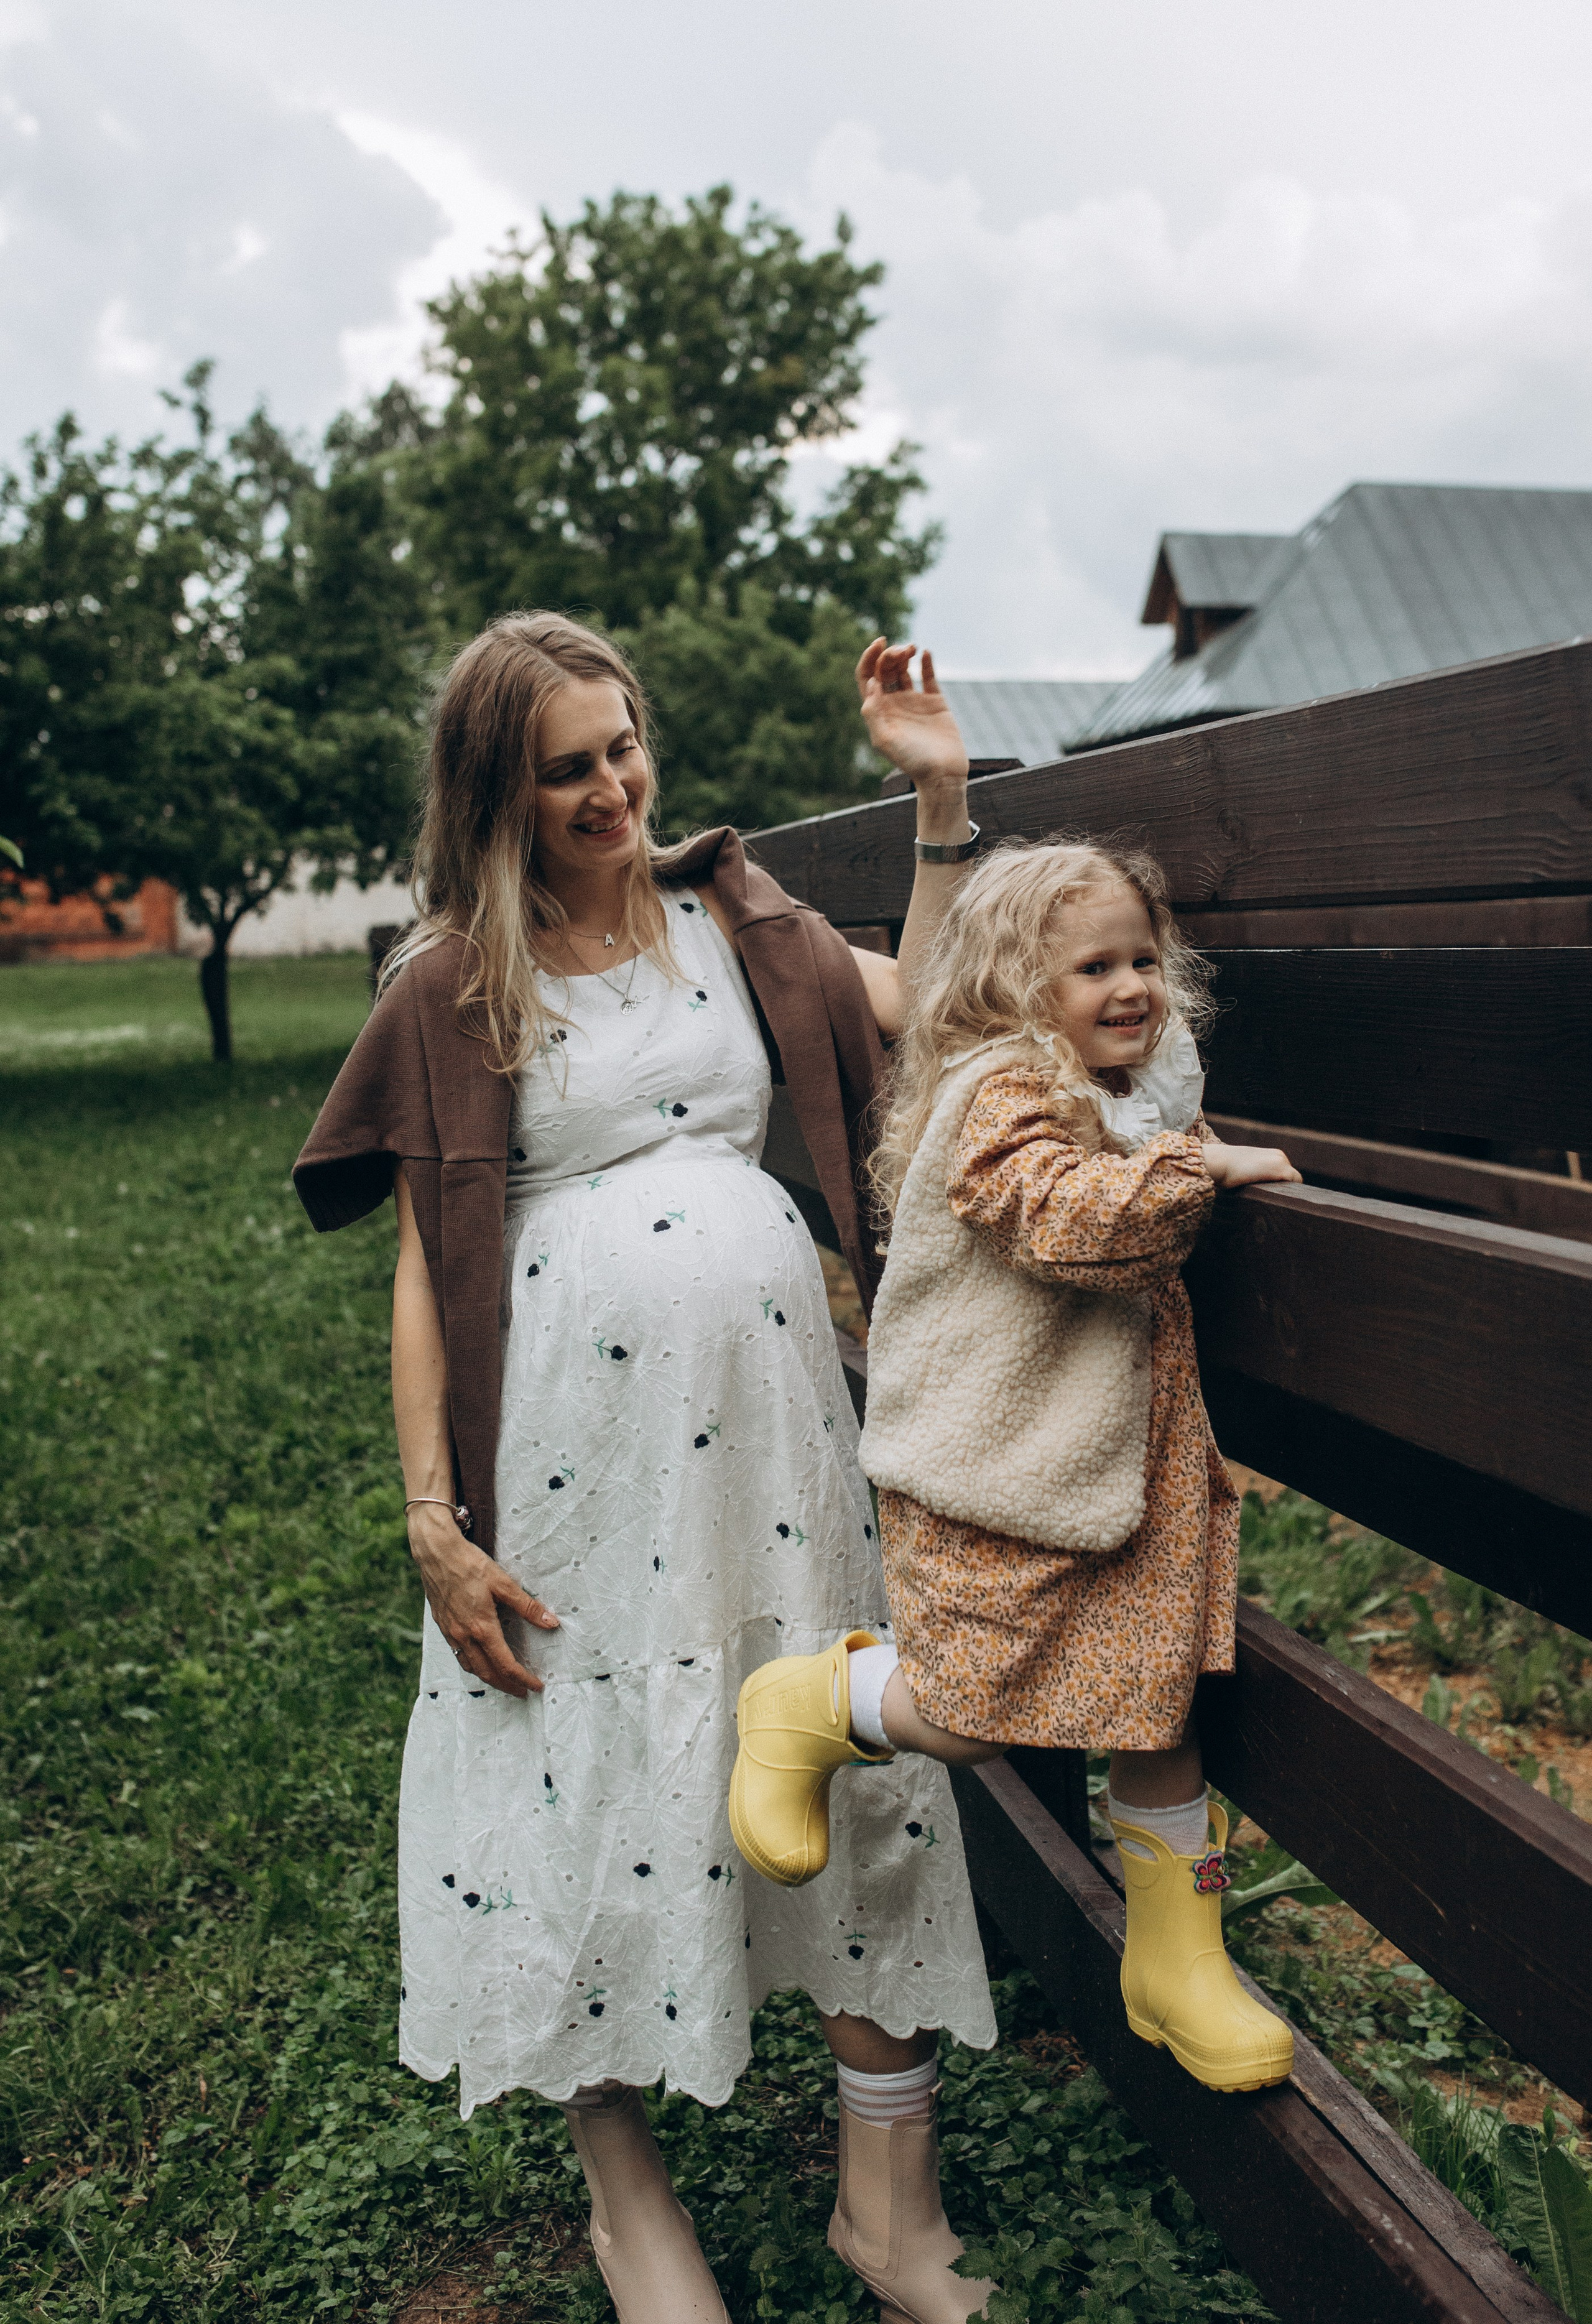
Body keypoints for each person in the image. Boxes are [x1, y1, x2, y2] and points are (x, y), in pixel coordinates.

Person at [292, 613, 1002, 2324]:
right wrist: (429, 1523)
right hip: (567, 1463)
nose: (613, 786)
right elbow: (417, 1265)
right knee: (577, 1780)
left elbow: (947, 1001)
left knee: (831, 1736)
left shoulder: (733, 923)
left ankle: (888, 2207)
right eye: (568, 769)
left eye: (623, 746)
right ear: (499, 794)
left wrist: (940, 799)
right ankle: (630, 2206)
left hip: (769, 1439)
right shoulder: (452, 984)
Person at [729, 837, 1304, 2096]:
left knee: (1155, 1706)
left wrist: (1185, 1148)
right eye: (1090, 965)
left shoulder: (1138, 1098)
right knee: (970, 1711)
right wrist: (1197, 1168)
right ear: (1006, 986)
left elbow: (1141, 1176)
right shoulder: (994, 1094)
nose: (1129, 987)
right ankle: (817, 1706)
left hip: (1123, 1475)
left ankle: (1176, 1955)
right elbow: (1066, 1224)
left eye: (1142, 959)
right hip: (992, 1473)